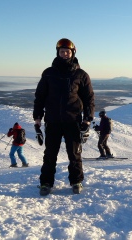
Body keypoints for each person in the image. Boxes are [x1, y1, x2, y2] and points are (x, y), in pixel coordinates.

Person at [33, 38, 95, 195]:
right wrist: (38, 116)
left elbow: (89, 99)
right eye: (62, 51)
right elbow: (40, 96)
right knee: (50, 154)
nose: (65, 54)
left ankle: (76, 181)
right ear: (58, 53)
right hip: (53, 120)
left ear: (72, 53)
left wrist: (88, 118)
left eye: (67, 51)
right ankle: (46, 183)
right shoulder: (48, 73)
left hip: (72, 120)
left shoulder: (81, 75)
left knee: (74, 154)